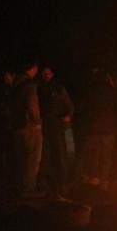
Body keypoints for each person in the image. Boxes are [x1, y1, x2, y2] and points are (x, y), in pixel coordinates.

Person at [75, 69, 117, 191]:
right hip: (108, 130)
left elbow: (81, 108)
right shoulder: (112, 92)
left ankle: (78, 180)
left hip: (92, 129)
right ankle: (103, 182)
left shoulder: (90, 90)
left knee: (83, 155)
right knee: (106, 158)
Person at [38, 66, 74, 197]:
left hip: (57, 127)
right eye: (44, 73)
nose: (46, 75)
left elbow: (69, 106)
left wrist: (68, 116)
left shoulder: (59, 88)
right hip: (43, 128)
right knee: (44, 156)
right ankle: (43, 183)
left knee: (60, 155)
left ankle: (63, 183)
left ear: (52, 74)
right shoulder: (38, 88)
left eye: (48, 73)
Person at [8, 62, 42, 197]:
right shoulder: (29, 85)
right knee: (32, 158)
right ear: (33, 68)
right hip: (29, 126)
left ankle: (20, 187)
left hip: (16, 126)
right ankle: (29, 189)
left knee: (21, 158)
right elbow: (31, 105)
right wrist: (37, 121)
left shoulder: (13, 85)